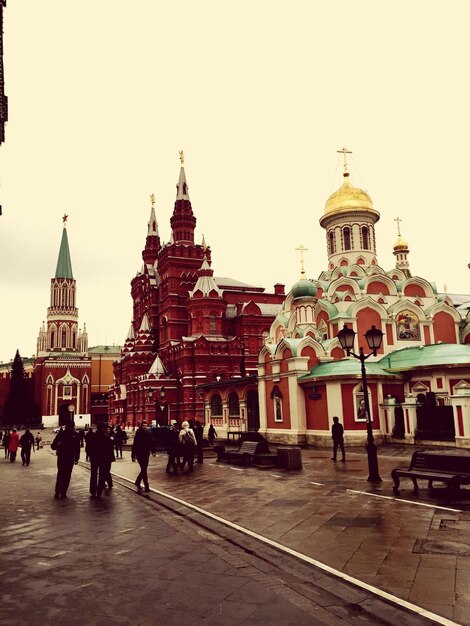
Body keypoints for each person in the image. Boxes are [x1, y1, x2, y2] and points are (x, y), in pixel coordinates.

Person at [51, 422, 81, 499]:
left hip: (61, 457)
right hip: (70, 458)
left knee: (60, 474)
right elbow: (77, 448)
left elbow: (53, 446)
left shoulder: (61, 434)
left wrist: (59, 445)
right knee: (67, 475)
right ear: (73, 426)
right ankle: (63, 493)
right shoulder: (76, 435)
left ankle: (57, 493)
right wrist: (77, 458)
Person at [92, 423, 115, 499]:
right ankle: (99, 492)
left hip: (94, 458)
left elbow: (90, 446)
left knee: (94, 474)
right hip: (104, 459)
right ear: (103, 429)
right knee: (102, 476)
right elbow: (109, 449)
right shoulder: (106, 437)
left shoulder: (94, 435)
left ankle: (92, 490)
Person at [131, 421, 155, 493]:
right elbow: (134, 445)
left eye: (145, 425)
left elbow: (151, 443)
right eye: (143, 426)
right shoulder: (138, 434)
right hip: (139, 454)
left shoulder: (148, 433)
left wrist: (153, 451)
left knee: (144, 469)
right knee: (144, 469)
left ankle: (138, 482)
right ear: (141, 426)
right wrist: (133, 456)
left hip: (146, 454)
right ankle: (147, 487)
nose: (144, 427)